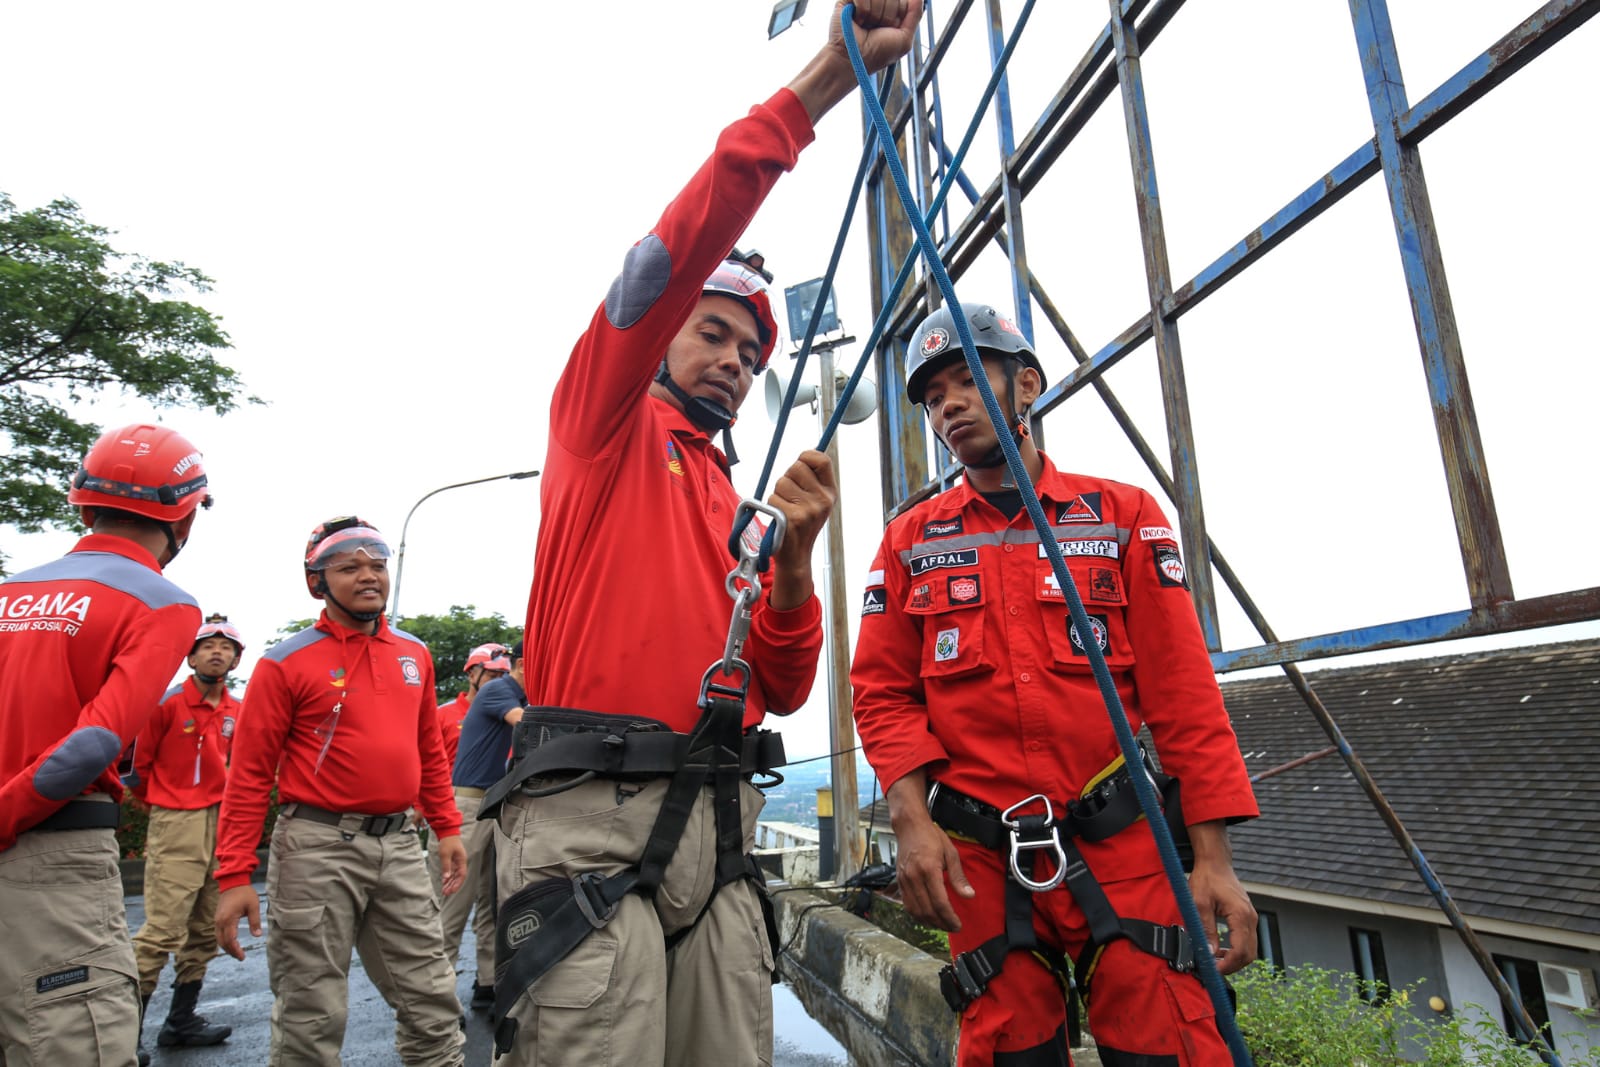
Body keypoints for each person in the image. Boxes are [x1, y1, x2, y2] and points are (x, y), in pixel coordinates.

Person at [484, 5, 921, 1064]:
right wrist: (825, 80)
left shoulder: (735, 501)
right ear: (667, 333)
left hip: (717, 825)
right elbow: (668, 255)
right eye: (712, 331)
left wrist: (796, 563)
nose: (734, 357)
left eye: (749, 349)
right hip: (590, 814)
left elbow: (777, 684)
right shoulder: (604, 424)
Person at [850, 303, 1260, 1067]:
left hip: (1123, 846)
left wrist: (1215, 860)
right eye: (934, 395)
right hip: (978, 857)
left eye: (967, 378)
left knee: (1173, 1043)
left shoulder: (1124, 515)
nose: (949, 404)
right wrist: (910, 822)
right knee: (1009, 1050)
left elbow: (1184, 695)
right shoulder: (909, 541)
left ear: (1027, 383)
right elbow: (880, 691)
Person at [212, 516, 467, 1066]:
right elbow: (250, 775)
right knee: (312, 1011)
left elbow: (428, 751)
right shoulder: (285, 662)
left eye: (377, 566)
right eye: (348, 568)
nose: (369, 576)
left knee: (432, 1000)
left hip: (399, 845)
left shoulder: (414, 654)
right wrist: (234, 875)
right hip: (315, 846)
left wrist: (446, 827)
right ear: (317, 582)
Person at [0, 422, 211, 1067]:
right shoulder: (164, 603)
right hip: (50, 857)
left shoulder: (11, 590)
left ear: (81, 499)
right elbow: (94, 742)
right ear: (185, 514)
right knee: (75, 1042)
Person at [127, 617, 244, 1057]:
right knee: (162, 929)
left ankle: (181, 1021)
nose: (217, 652)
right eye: (207, 645)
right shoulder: (166, 704)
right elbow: (136, 769)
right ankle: (125, 1032)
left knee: (206, 928)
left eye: (226, 646)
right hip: (177, 820)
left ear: (236, 659)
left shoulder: (238, 710)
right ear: (190, 656)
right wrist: (163, 803)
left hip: (224, 822)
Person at [446, 639, 528, 1011]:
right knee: (454, 906)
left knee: (491, 902)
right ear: (525, 664)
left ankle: (488, 984)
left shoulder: (513, 692)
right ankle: (437, 1001)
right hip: (469, 805)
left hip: (492, 805)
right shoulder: (501, 690)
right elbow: (525, 725)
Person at [428, 641, 510, 902]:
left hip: (498, 808)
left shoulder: (508, 717)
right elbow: (426, 762)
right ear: (471, 674)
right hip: (457, 807)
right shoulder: (443, 715)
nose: (497, 682)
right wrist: (422, 808)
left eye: (502, 676)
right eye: (491, 675)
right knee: (450, 900)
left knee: (492, 904)